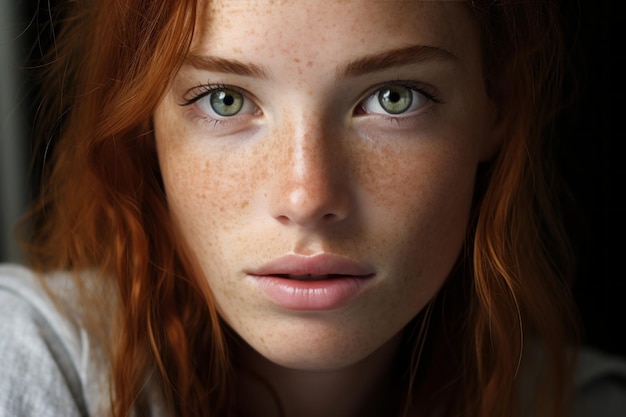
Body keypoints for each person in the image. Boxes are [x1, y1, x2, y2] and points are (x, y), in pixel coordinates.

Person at [1, 1, 625, 416]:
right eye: (224, 100)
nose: (306, 198)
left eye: (393, 97)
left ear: (497, 106)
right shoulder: (33, 363)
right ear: (145, 121)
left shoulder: (583, 403)